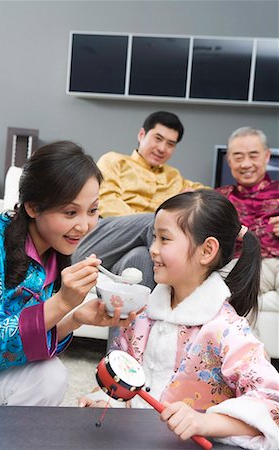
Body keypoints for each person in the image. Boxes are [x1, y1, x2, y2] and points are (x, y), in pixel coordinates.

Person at [79, 190, 279, 449]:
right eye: (154, 237)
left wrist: (205, 422)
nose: (152, 249)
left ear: (206, 250)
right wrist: (105, 400)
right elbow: (125, 377)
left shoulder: (226, 330)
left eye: (164, 239)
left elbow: (272, 401)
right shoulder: (142, 314)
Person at [0, 141, 139, 407]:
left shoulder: (55, 257)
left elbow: (28, 351)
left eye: (93, 211)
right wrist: (62, 302)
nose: (84, 225)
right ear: (32, 207)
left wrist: (74, 318)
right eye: (70, 212)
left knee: (49, 374)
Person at [73, 111, 207, 289]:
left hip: (127, 257)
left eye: (170, 144)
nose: (162, 148)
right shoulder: (114, 161)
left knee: (141, 258)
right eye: (157, 138)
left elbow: (208, 194)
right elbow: (107, 200)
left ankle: (144, 316)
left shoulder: (174, 177)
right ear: (142, 134)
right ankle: (192, 282)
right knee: (158, 221)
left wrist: (195, 195)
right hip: (103, 240)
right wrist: (151, 221)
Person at [216, 127, 279, 307]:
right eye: (238, 157)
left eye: (253, 156)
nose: (245, 164)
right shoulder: (220, 199)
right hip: (245, 264)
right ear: (229, 161)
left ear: (266, 156)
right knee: (223, 292)